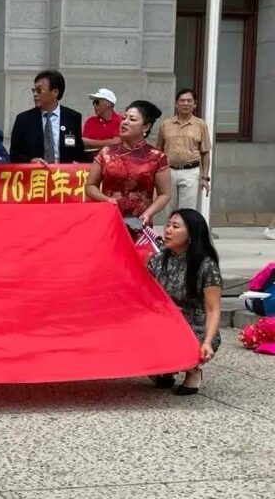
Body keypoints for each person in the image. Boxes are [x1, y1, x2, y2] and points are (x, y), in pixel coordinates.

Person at [147, 209, 222, 395]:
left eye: (175, 226)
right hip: (165, 322)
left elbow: (212, 309)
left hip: (194, 327)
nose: (168, 230)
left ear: (191, 234)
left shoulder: (206, 266)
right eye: (167, 225)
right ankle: (165, 369)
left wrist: (207, 341)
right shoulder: (156, 260)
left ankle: (193, 372)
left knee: (188, 347)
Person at [85, 100, 172, 228]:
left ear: (146, 127)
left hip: (140, 223)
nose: (124, 122)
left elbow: (165, 194)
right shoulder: (107, 152)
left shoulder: (157, 157)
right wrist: (106, 200)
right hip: (109, 219)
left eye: (132, 119)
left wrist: (148, 214)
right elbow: (90, 186)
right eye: (124, 118)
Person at [9, 69, 85, 164]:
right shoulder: (23, 119)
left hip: (63, 175)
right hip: (35, 175)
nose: (35, 94)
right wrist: (30, 161)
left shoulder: (73, 118)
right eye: (34, 90)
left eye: (39, 90)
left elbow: (79, 152)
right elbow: (14, 155)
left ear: (55, 92)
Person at [156, 88, 211, 212]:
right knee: (169, 209)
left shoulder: (200, 125)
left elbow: (205, 152)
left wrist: (205, 177)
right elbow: (158, 151)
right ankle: (170, 231)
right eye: (182, 101)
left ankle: (186, 232)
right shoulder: (165, 124)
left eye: (189, 101)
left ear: (195, 104)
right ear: (176, 103)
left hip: (190, 172)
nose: (185, 104)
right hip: (168, 171)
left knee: (187, 210)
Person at [82, 87, 122, 160]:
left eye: (97, 102)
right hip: (92, 162)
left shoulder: (121, 121)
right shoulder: (90, 121)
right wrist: (107, 143)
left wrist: (91, 143)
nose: (94, 105)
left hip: (114, 162)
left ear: (108, 103)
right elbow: (84, 143)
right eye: (93, 102)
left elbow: (116, 143)